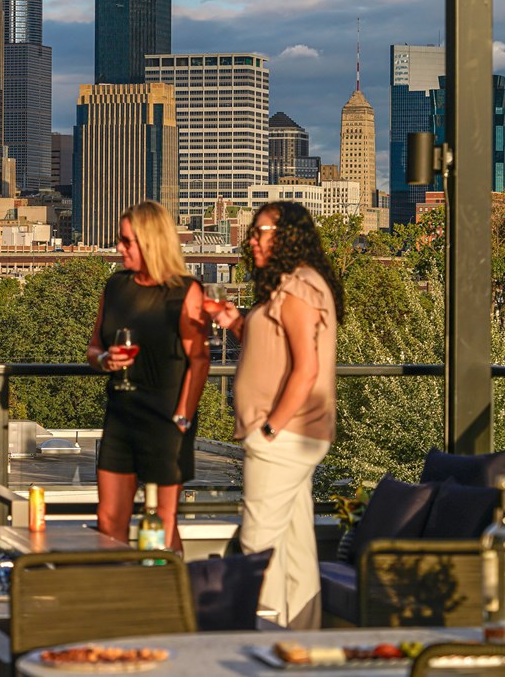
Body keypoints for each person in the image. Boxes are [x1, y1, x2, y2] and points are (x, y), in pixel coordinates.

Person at [210, 201, 343, 629]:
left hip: (284, 435)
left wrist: (270, 428)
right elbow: (271, 349)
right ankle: (304, 646)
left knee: (257, 542)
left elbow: (307, 369)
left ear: (288, 235)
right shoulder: (291, 287)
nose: (252, 238)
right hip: (294, 434)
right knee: (295, 545)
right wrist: (234, 322)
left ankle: (255, 639)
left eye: (262, 230)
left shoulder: (299, 289)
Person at [86, 201, 209, 552]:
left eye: (127, 241)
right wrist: (105, 359)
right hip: (121, 414)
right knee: (109, 519)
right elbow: (93, 349)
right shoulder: (115, 286)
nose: (119, 248)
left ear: (151, 242)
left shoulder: (186, 291)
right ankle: (117, 594)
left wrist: (182, 418)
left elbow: (199, 361)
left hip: (166, 417)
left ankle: (171, 598)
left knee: (161, 522)